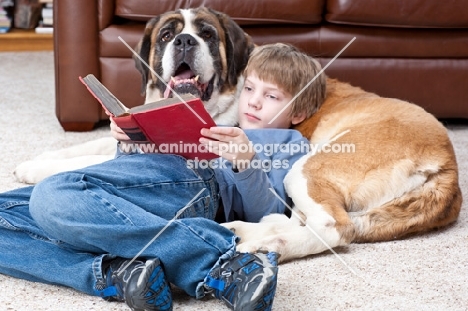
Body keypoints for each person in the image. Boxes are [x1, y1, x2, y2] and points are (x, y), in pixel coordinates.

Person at [0, 43, 326, 311]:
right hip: (145, 180)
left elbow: (265, 212)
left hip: (197, 184)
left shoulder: (289, 142)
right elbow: (112, 189)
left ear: (298, 113)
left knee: (54, 193)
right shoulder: (216, 124)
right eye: (250, 89)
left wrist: (246, 162)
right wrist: (128, 142)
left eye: (272, 96)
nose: (254, 100)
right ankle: (119, 274)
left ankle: (220, 264)